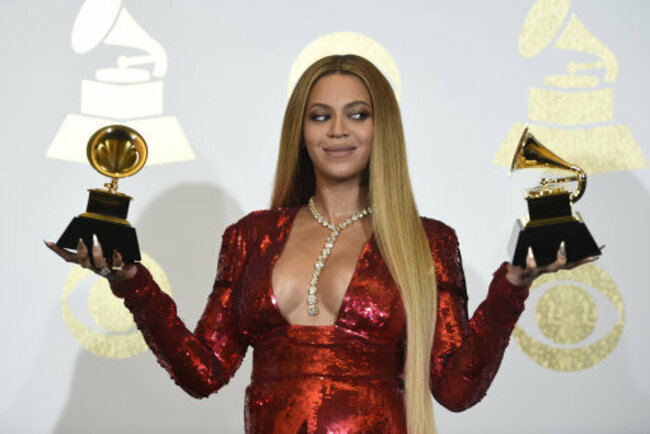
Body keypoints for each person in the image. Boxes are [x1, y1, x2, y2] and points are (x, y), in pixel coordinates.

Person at [46, 54, 595, 433]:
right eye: (320, 115)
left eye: (358, 114)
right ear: (300, 130)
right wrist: (131, 283)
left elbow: (455, 390)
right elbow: (203, 372)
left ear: (383, 129)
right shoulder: (251, 237)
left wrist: (513, 287)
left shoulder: (427, 241)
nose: (338, 130)